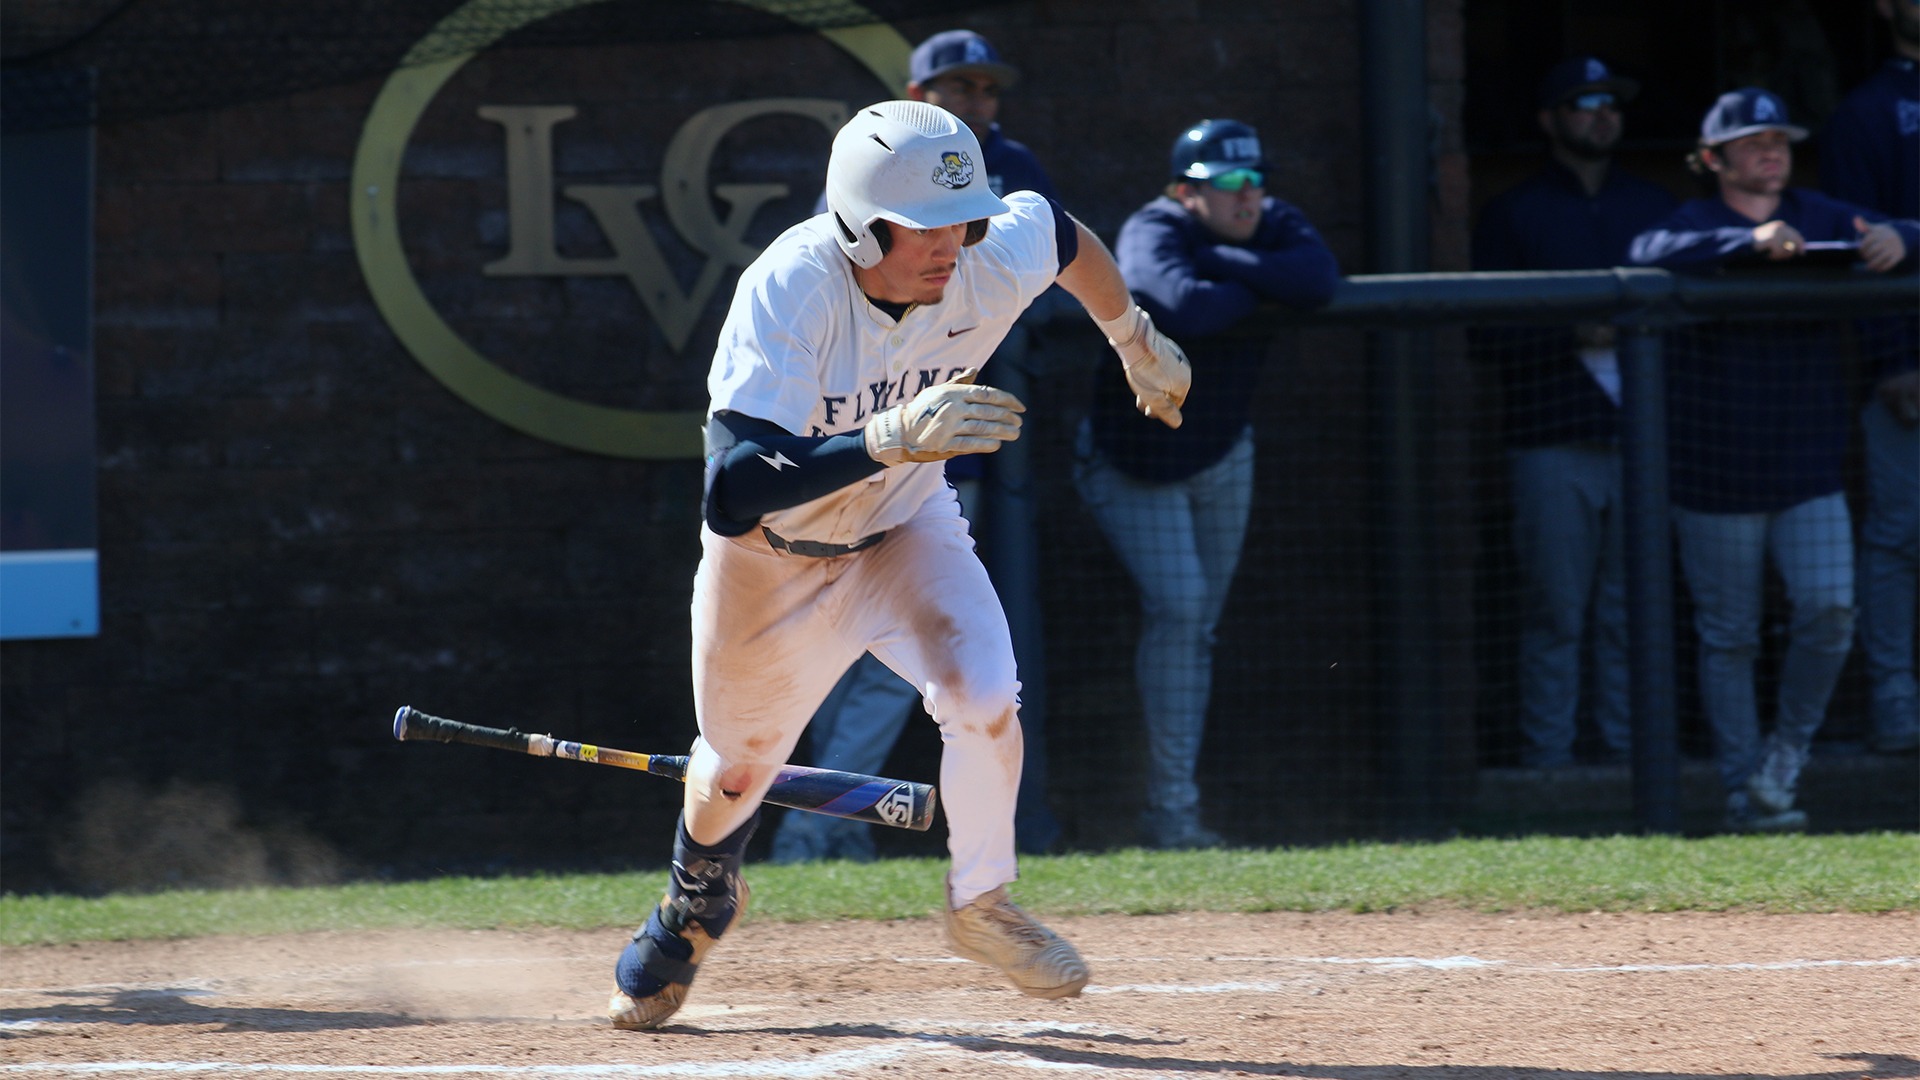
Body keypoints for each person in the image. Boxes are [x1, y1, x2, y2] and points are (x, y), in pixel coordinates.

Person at [607, 99, 1193, 1028]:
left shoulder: (983, 254)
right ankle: (700, 893)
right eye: (922, 228)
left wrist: (1133, 338)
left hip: (902, 528)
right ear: (856, 222)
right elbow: (732, 490)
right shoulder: (790, 287)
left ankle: (983, 903)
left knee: (982, 692)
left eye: (960, 221)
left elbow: (1059, 233)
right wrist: (885, 438)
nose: (950, 246)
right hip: (770, 560)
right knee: (736, 765)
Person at [771, 28, 1067, 864]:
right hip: (853, 455)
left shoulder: (1018, 172)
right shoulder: (877, 175)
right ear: (917, 92)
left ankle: (813, 829)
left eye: (986, 88)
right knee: (838, 656)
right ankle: (812, 827)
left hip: (951, 463)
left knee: (910, 667)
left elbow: (1045, 267)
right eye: (956, 86)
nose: (974, 101)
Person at [1628, 87, 1918, 831]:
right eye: (1754, 142)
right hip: (1714, 476)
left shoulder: (1823, 213)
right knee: (1729, 639)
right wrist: (1746, 247)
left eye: (1781, 142)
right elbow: (1644, 255)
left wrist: (1902, 241)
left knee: (1829, 612)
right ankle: (1743, 791)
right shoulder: (1690, 221)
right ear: (1713, 158)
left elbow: (1893, 232)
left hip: (1809, 472)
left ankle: (1783, 759)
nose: (1772, 153)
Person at [1074, 118, 1338, 849]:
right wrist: (1257, 278)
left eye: (1255, 179)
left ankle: (1173, 808)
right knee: (1185, 613)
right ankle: (1171, 813)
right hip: (1135, 462)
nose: (1249, 195)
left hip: (1222, 457)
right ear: (1187, 190)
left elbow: (1319, 281)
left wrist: (1230, 267)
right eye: (1228, 183)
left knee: (1197, 628)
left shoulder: (1269, 220)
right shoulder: (1152, 225)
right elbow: (1177, 302)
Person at [1471, 57, 1679, 769]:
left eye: (1611, 104)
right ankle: (1549, 767)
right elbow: (1481, 333)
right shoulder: (1514, 213)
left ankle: (1631, 759)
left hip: (1646, 446)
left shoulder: (1654, 209)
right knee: (1555, 612)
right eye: (1583, 103)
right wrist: (1572, 330)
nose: (1601, 115)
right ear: (1549, 120)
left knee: (1635, 614)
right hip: (1551, 441)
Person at [1819, 0, 1920, 755]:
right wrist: (1892, 357)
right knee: (1899, 534)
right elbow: (1854, 240)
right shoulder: (1867, 111)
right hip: (1910, 368)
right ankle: (1895, 699)